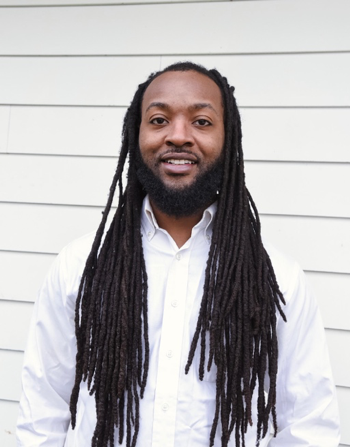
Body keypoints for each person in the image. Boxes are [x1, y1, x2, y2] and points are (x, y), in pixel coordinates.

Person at [17, 62, 340, 447]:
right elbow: (42, 413)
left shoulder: (277, 279)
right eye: (158, 120)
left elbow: (309, 425)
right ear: (135, 136)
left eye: (201, 122)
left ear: (228, 138)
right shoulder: (79, 267)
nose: (179, 136)